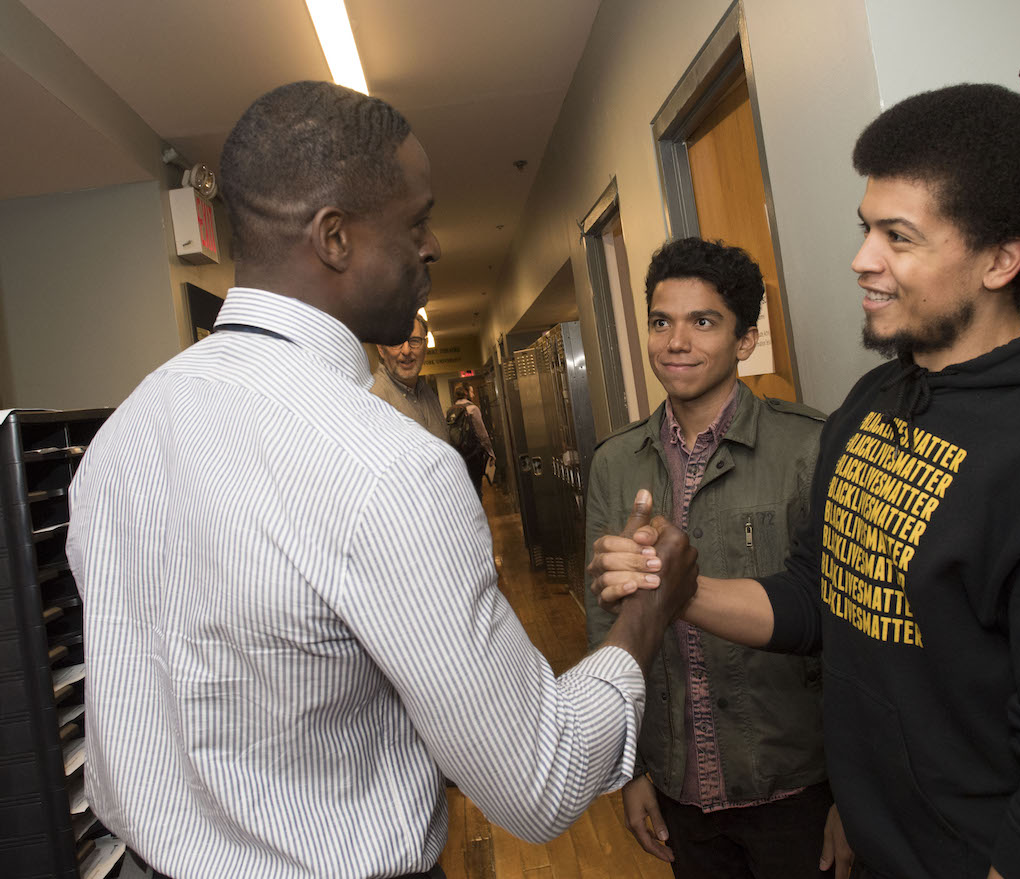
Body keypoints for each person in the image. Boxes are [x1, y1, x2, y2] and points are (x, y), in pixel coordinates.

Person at [66, 80, 698, 879]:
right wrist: (646, 614)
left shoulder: (123, 435)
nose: (432, 246)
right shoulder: (387, 468)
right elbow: (540, 779)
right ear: (335, 238)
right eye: (417, 220)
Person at [589, 84, 1020, 879]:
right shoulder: (876, 400)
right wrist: (677, 585)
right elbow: (815, 594)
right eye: (866, 228)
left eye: (898, 237)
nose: (863, 259)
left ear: (1001, 258)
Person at [584, 237, 835, 878]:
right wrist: (630, 770)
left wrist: (849, 797)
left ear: (745, 340)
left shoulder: (809, 447)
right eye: (662, 322)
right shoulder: (616, 462)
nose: (676, 342)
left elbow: (850, 638)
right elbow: (603, 624)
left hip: (793, 786)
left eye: (703, 322)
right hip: (679, 784)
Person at [371, 313, 449, 441]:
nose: (406, 351)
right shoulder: (372, 400)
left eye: (415, 341)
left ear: (425, 346)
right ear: (381, 349)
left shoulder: (428, 393)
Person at [446, 381, 493, 497]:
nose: (474, 394)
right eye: (472, 391)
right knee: (476, 487)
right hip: (473, 455)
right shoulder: (473, 409)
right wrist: (490, 452)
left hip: (458, 455)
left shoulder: (450, 410)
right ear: (466, 393)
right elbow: (482, 435)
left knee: (465, 489)